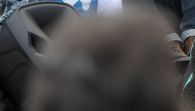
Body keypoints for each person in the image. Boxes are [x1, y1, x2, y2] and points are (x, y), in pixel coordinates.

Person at [27, 13, 184, 111]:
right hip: (70, 35)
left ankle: (188, 61)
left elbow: (111, 2)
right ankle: (180, 83)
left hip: (85, 34)